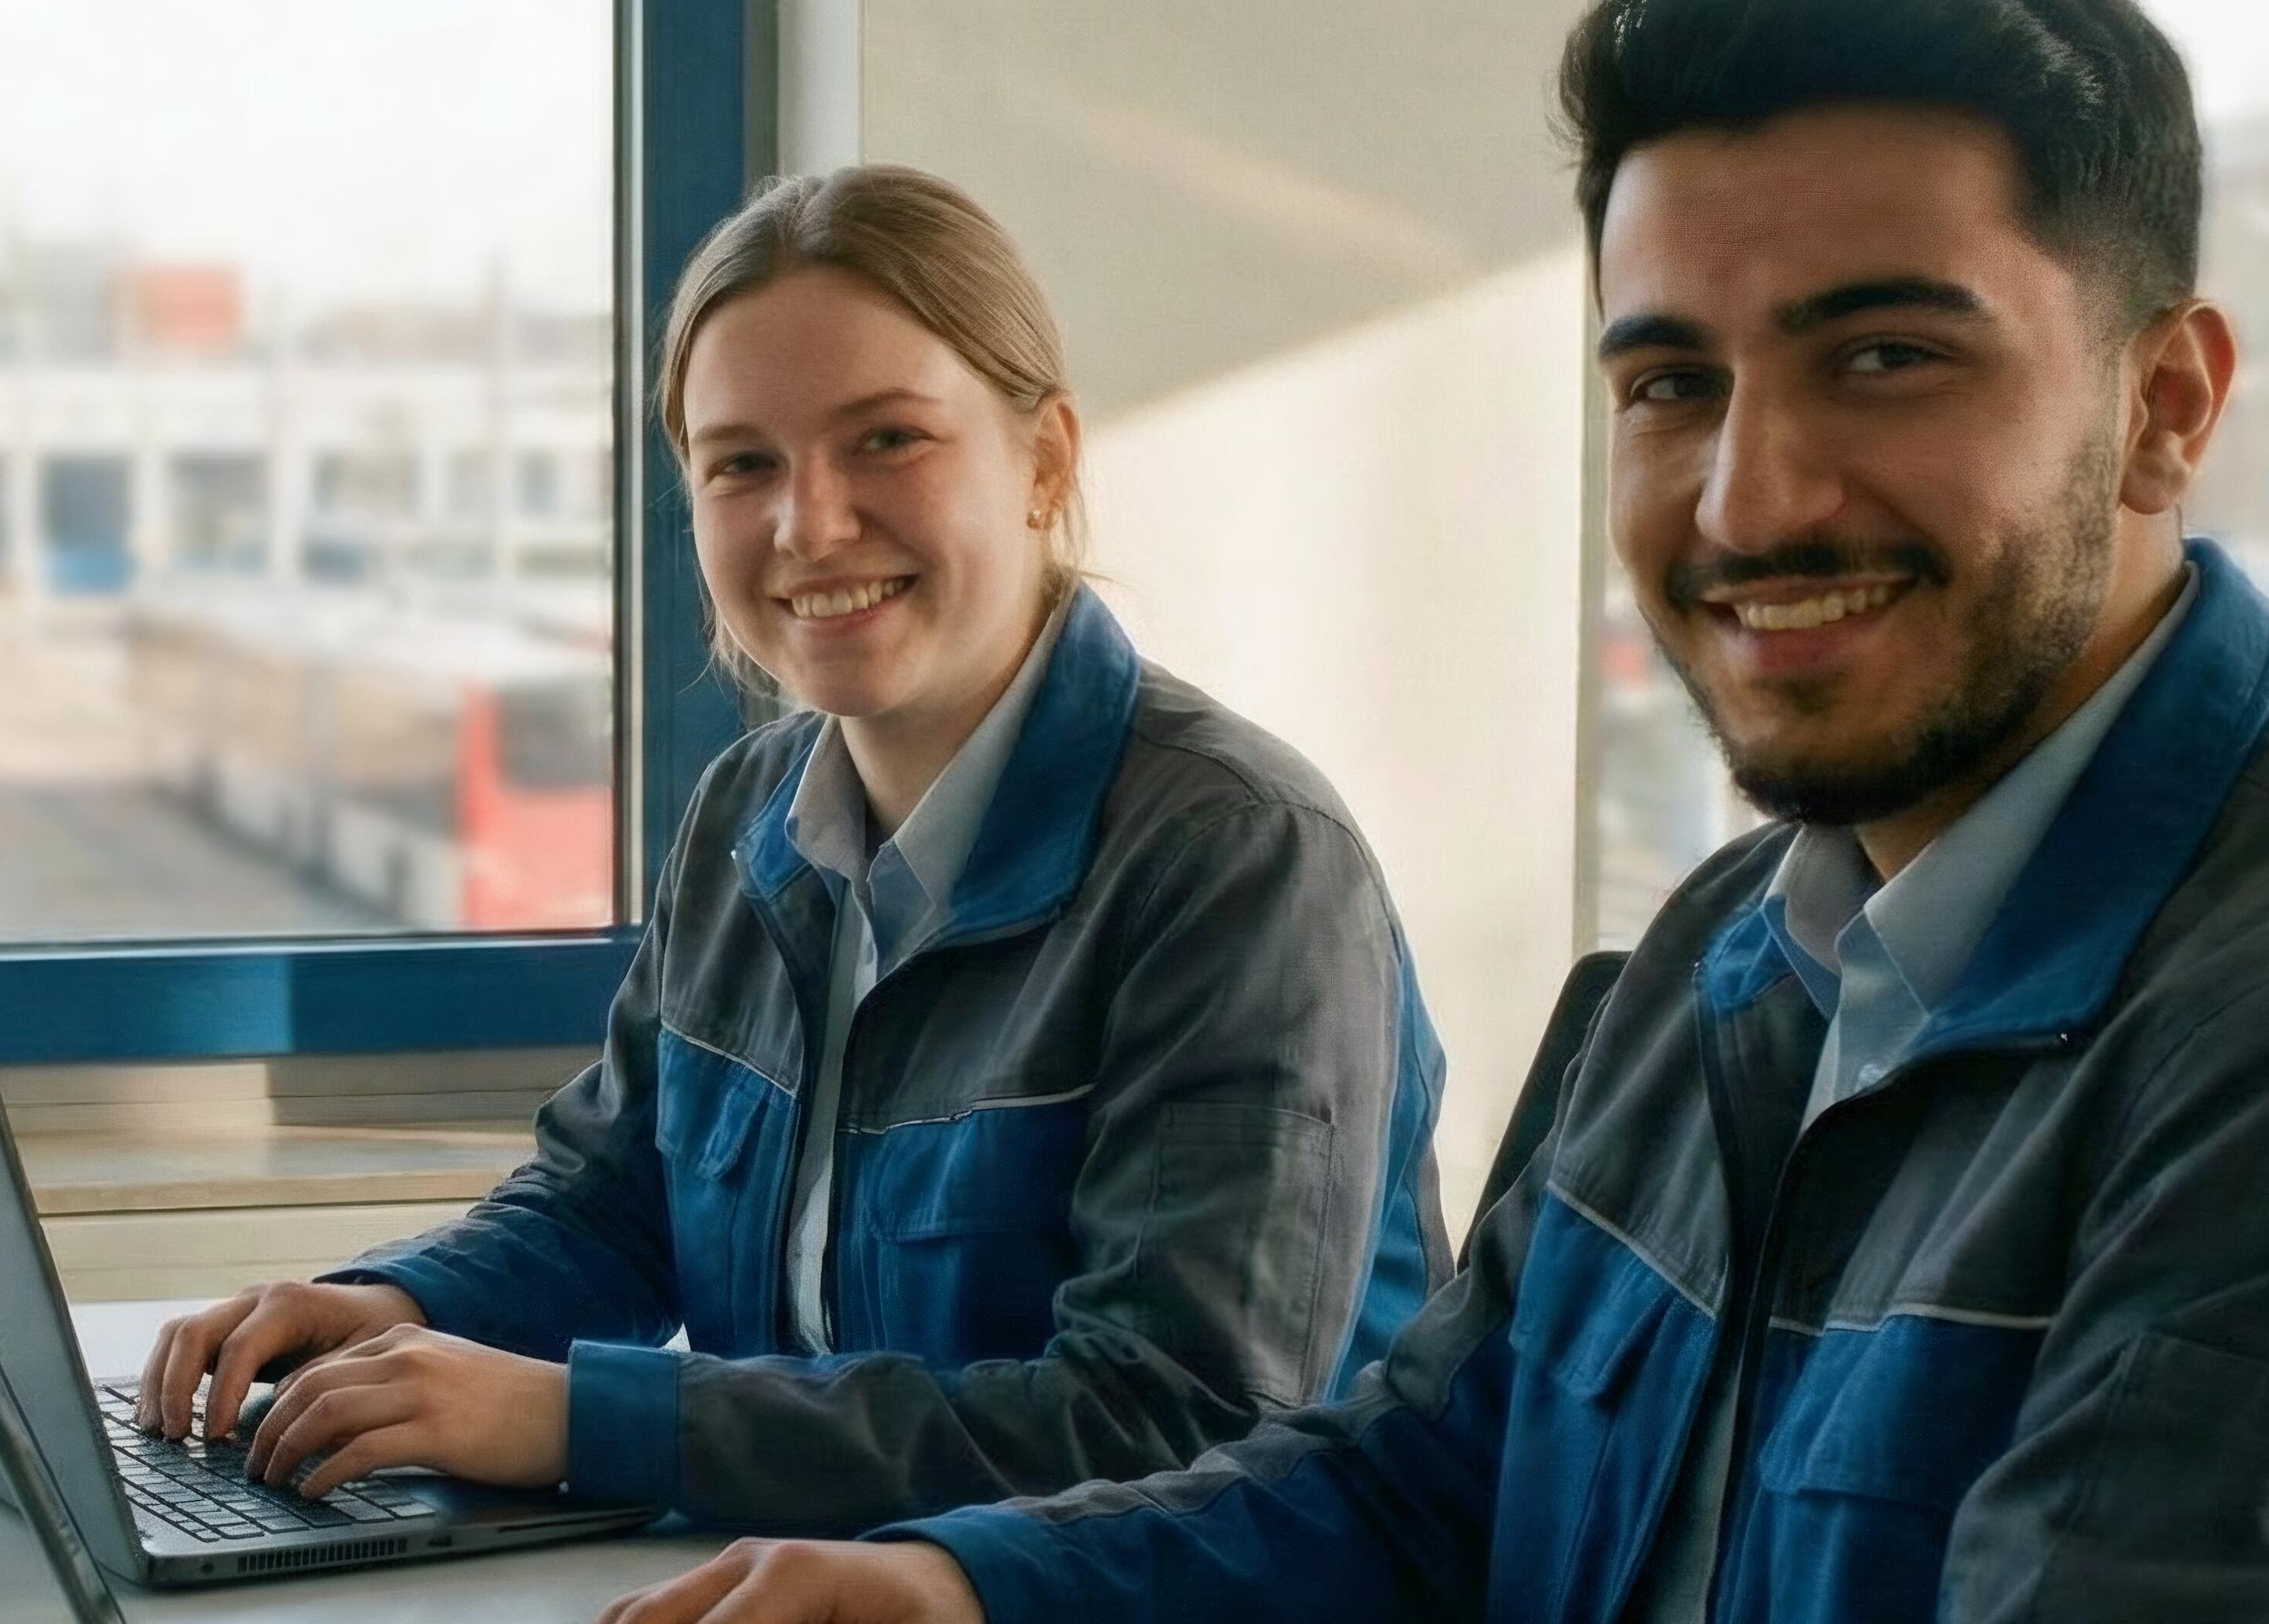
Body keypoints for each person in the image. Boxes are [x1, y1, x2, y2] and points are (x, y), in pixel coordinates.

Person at [597, 1, 2269, 1619]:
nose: (1748, 497)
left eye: (1883, 357)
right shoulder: (1744, 942)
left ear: (2162, 407)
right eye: (1668, 383)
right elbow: (1432, 1471)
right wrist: (964, 1587)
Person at [129, 164, 1453, 1536]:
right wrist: (392, 1311)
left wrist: (580, 1418)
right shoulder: (747, 811)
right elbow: (618, 1200)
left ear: (1045, 461)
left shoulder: (1239, 861)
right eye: (741, 463)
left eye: (887, 440)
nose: (807, 525)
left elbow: (1175, 1421)